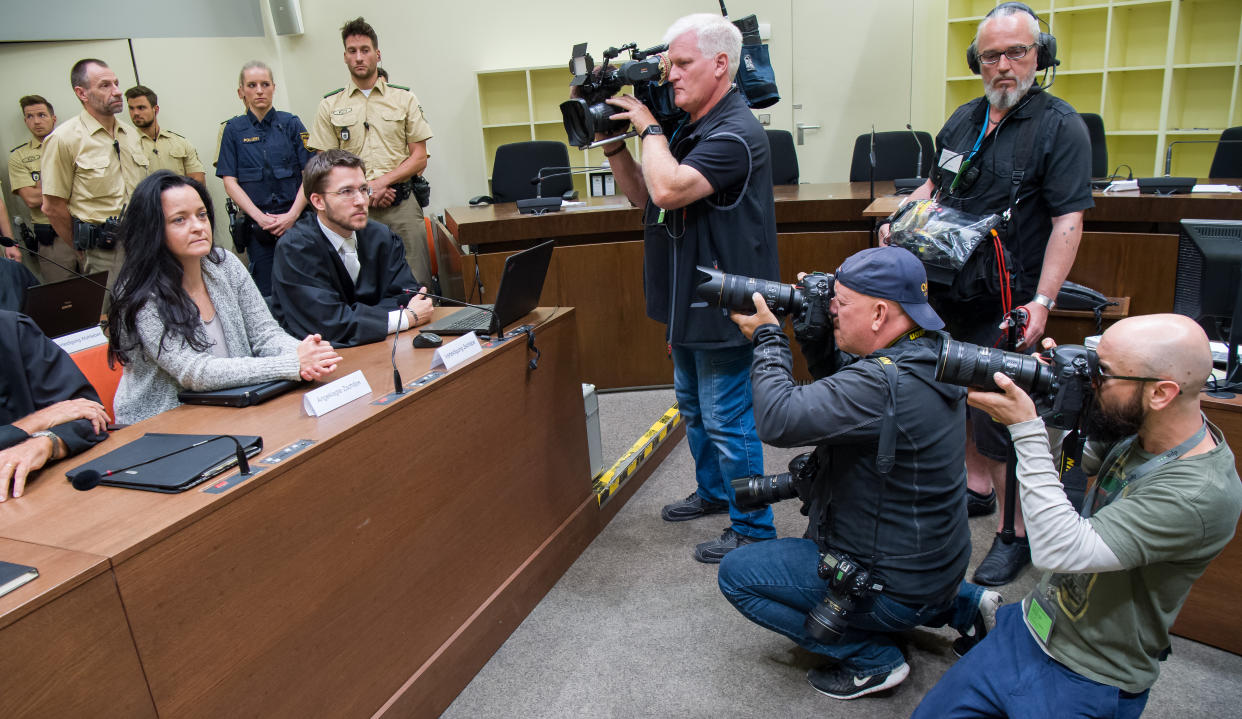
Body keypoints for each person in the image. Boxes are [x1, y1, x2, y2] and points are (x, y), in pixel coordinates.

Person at [915, 314, 1242, 717]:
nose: (1091, 379)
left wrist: (1027, 427)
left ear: (1161, 393)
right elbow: (1060, 467)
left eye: (1101, 372)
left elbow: (1060, 551)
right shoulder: (1141, 427)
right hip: (1031, 626)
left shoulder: (1198, 493)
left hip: (1091, 673)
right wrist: (1055, 404)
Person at [879, 2, 1094, 585]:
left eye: (1016, 53)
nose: (1003, 65)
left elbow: (1068, 221)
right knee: (953, 394)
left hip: (1009, 298)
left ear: (1038, 57)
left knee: (1002, 418)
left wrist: (1043, 303)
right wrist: (901, 219)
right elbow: (933, 187)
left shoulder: (1059, 127)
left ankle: (1014, 534)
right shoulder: (964, 118)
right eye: (992, 55)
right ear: (978, 61)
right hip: (948, 288)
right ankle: (975, 489)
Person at [718, 246, 991, 700]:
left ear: (881, 312)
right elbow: (846, 396)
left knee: (738, 575)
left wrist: (769, 338)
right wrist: (816, 336)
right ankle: (965, 605)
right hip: (935, 566)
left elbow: (779, 421)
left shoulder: (883, 383)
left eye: (840, 304)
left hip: (892, 582)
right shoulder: (932, 353)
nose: (830, 311)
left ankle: (873, 660)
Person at [604, 13, 780, 562]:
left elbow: (670, 189)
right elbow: (643, 196)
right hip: (688, 301)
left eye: (682, 64)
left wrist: (649, 130)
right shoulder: (687, 125)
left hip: (726, 306)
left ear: (721, 65)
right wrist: (616, 146)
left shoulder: (735, 131)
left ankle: (753, 526)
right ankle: (714, 494)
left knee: (728, 418)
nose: (670, 76)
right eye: (668, 65)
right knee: (694, 408)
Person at [107, 171, 342, 425]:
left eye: (201, 215)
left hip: (230, 406)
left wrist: (306, 353)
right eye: (179, 220)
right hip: (160, 424)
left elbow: (265, 335)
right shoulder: (140, 293)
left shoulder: (225, 264)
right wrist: (291, 363)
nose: (198, 226)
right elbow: (194, 371)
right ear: (151, 230)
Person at [308, 17, 434, 287]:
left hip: (401, 203)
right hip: (353, 210)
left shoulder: (404, 98)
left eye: (365, 50)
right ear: (345, 57)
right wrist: (366, 190)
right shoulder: (330, 105)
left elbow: (419, 156)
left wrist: (381, 183)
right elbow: (325, 166)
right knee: (363, 287)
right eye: (352, 51)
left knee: (419, 286)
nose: (359, 57)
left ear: (377, 54)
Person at [268, 149, 432, 348]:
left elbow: (408, 296)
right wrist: (404, 319)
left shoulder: (381, 236)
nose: (361, 201)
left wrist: (356, 317)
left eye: (364, 189)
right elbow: (328, 326)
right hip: (323, 363)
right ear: (318, 201)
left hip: (385, 346)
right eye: (346, 192)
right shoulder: (295, 249)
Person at [41, 58, 150, 303]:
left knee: (155, 311)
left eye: (116, 83)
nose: (117, 91)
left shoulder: (131, 134)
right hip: (105, 250)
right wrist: (81, 249)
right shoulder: (64, 139)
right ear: (82, 93)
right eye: (105, 85)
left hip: (144, 241)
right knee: (116, 320)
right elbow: (53, 206)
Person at [216, 60, 313, 296]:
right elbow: (230, 181)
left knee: (307, 289)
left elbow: (310, 174)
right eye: (252, 85)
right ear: (241, 91)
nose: (259, 90)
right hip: (258, 229)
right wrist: (260, 219)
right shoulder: (232, 130)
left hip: (296, 222)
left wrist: (292, 215)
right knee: (268, 294)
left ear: (273, 87)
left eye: (265, 84)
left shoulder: (291, 124)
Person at [1, 309, 109, 501]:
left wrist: (46, 442)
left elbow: (87, 411)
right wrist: (35, 422)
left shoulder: (13, 329)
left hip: (43, 485)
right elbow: (55, 414)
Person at [9, 95, 79, 281]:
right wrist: (68, 184)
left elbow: (91, 185)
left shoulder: (74, 145)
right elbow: (31, 199)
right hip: (52, 238)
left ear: (53, 118)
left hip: (84, 229)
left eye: (41, 115)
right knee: (63, 299)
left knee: (102, 293)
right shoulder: (19, 157)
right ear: (25, 121)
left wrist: (46, 188)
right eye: (30, 117)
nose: (36, 121)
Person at [125, 85, 206, 184]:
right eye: (131, 108)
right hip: (147, 199)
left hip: (179, 197)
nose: (136, 113)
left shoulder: (180, 142)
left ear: (156, 109)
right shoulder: (126, 145)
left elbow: (198, 180)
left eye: (141, 108)